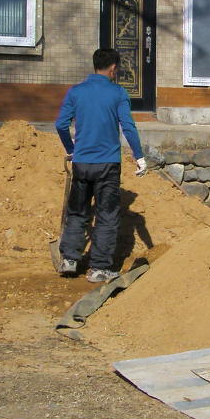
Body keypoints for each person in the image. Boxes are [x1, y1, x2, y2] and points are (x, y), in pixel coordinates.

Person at [55, 48, 147, 283]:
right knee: (106, 215)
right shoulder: (118, 93)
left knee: (77, 211)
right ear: (113, 68)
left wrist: (71, 149)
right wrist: (139, 156)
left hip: (81, 163)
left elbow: (61, 124)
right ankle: (99, 268)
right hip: (107, 164)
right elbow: (128, 127)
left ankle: (69, 259)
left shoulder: (76, 91)